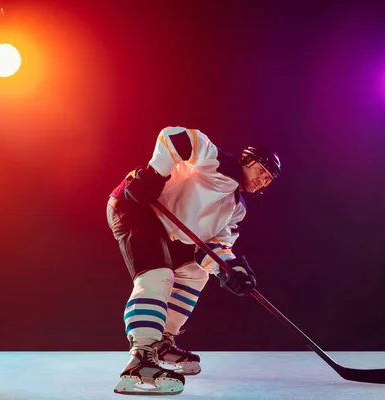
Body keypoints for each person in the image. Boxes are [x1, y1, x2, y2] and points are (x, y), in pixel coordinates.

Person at [106, 126, 281, 395]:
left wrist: (231, 269)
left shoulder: (236, 209)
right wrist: (154, 174)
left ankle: (162, 343)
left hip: (167, 230)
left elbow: (212, 248)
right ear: (247, 160)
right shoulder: (216, 162)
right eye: (261, 172)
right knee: (157, 275)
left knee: (195, 273)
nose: (262, 181)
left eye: (268, 180)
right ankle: (140, 358)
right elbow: (176, 137)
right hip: (135, 207)